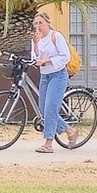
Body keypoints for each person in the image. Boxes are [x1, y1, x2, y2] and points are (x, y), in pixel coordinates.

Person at [31, 11, 73, 153]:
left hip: (58, 75)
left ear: (47, 23)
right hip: (45, 76)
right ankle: (69, 130)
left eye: (40, 23)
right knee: (43, 110)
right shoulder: (37, 39)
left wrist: (47, 61)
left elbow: (65, 56)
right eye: (36, 23)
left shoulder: (56, 36)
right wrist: (36, 45)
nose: (38, 26)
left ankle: (48, 143)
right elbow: (35, 57)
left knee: (50, 108)